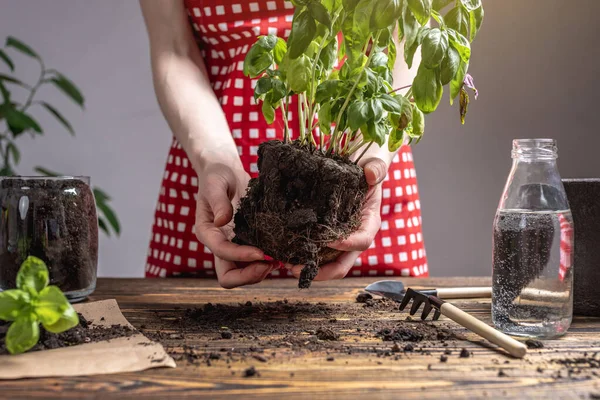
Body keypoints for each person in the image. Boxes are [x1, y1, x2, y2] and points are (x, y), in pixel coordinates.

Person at [139, 0, 428, 288]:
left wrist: (371, 159)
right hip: (214, 169)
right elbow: (175, 48)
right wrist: (214, 159)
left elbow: (407, 35)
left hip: (359, 165)